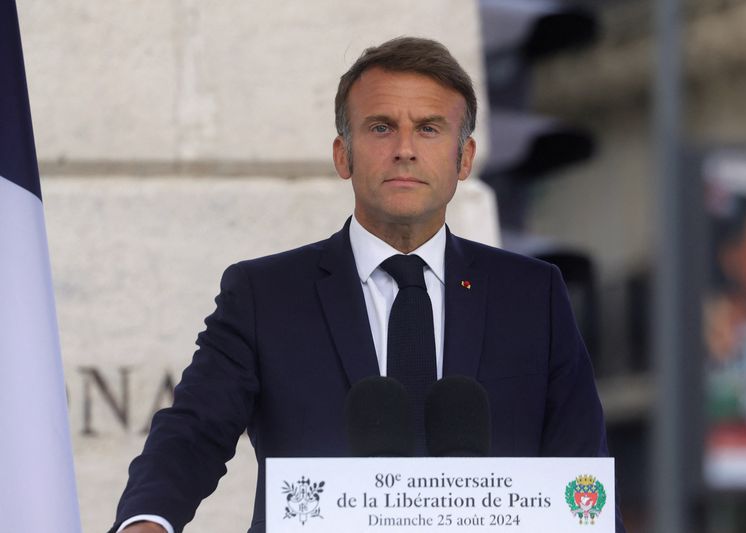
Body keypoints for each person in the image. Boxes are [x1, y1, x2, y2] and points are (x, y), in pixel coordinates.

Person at [112, 36, 622, 533]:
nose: (404, 149)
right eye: (381, 128)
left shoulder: (532, 297)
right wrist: (148, 520)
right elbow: (194, 430)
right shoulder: (264, 295)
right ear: (343, 155)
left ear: (464, 159)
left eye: (428, 128)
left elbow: (581, 473)